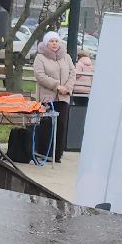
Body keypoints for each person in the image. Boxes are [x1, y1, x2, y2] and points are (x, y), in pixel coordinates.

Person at [31, 32, 76, 165]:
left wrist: (67, 87)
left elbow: (72, 73)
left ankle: (57, 154)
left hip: (63, 97)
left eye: (56, 41)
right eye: (51, 41)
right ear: (46, 43)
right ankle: (44, 152)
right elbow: (40, 75)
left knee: (61, 125)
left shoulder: (66, 57)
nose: (54, 43)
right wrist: (57, 86)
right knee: (47, 125)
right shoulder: (40, 57)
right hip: (47, 97)